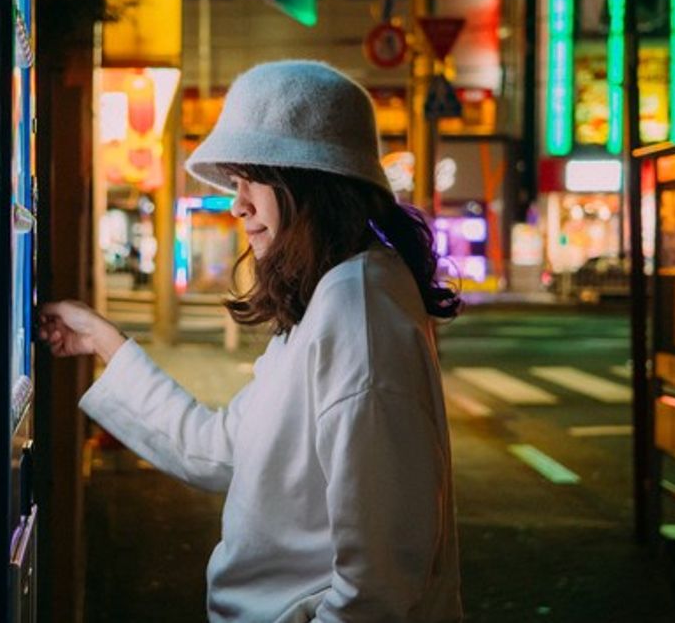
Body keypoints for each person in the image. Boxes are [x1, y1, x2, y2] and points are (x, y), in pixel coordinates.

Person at [40, 60, 462, 622]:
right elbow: (217, 449)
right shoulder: (329, 299)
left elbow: (380, 586)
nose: (236, 205)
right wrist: (100, 340)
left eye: (248, 181)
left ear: (308, 180)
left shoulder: (356, 311)